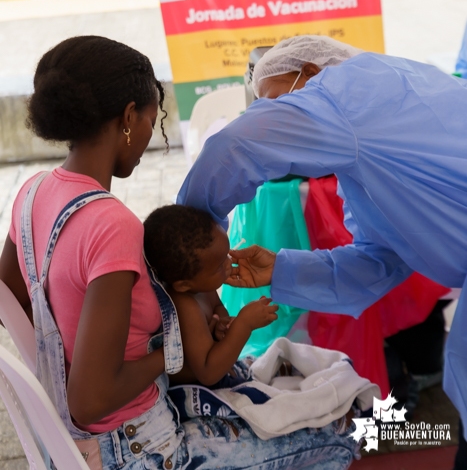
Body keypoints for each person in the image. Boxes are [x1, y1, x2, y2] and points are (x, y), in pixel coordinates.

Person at [0, 35, 357, 470]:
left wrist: (79, 337)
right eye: (156, 118)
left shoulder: (32, 192)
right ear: (129, 117)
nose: (156, 130)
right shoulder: (111, 225)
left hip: (75, 443)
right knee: (340, 438)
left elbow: (11, 300)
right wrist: (173, 351)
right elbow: (90, 401)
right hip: (137, 449)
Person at [177, 34, 467, 443]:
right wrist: (281, 269)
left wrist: (184, 245)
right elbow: (378, 261)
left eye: (274, 103)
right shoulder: (375, 127)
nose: (273, 117)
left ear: (310, 74)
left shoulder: (347, 92)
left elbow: (235, 147)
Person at [143, 204, 277, 388]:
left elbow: (217, 308)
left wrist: (223, 324)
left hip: (217, 371)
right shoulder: (185, 306)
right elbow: (207, 372)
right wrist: (244, 325)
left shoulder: (201, 286)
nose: (229, 264)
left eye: (226, 257)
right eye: (219, 266)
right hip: (196, 385)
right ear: (183, 285)